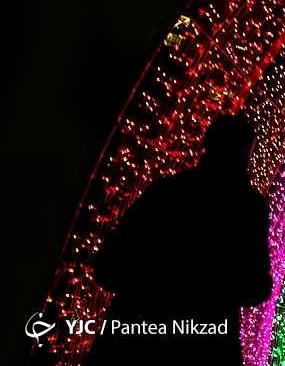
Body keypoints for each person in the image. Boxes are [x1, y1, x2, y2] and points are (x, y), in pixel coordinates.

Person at [88, 114, 273, 366]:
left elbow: (107, 266)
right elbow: (257, 286)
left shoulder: (163, 191)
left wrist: (150, 289)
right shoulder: (248, 207)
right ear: (244, 152)